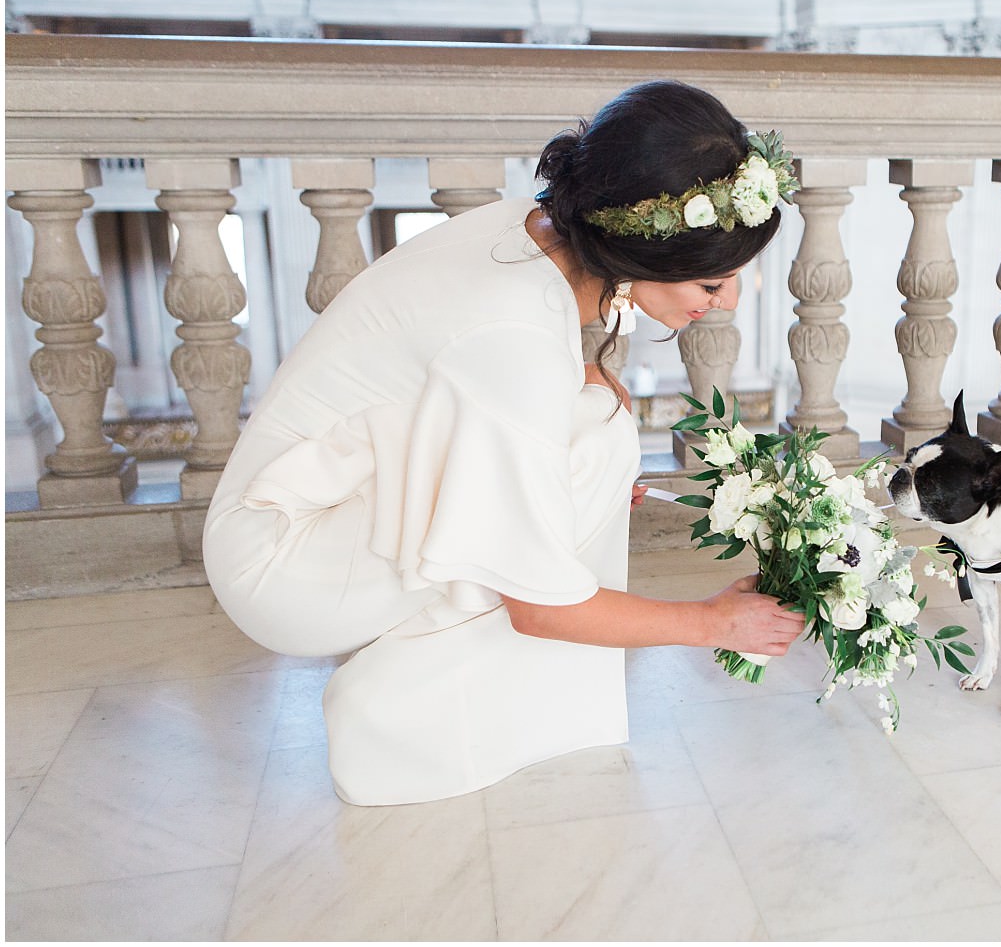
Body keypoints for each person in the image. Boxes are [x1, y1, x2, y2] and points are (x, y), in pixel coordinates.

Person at [201, 80, 805, 806]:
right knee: (587, 453)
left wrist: (574, 458)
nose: (731, 300)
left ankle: (521, 708)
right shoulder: (513, 335)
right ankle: (393, 722)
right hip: (281, 564)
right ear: (646, 250)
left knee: (597, 430)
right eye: (715, 280)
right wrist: (710, 622)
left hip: (303, 499)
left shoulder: (534, 225)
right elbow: (539, 605)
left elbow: (469, 371)